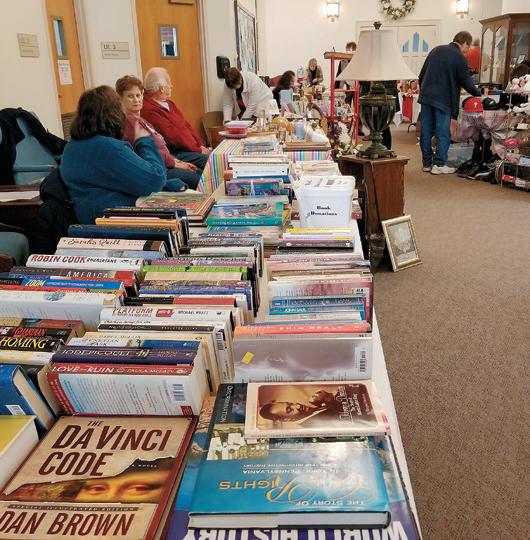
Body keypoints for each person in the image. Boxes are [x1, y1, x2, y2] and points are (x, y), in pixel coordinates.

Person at [60, 86, 166, 225]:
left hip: (90, 218)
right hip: (113, 221)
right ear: (114, 114)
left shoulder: (72, 146)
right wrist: (144, 141)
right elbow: (155, 180)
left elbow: (119, 180)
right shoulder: (109, 148)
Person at [115, 75, 199, 191]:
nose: (136, 100)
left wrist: (178, 161)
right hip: (158, 172)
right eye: (130, 96)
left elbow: (161, 147)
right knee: (200, 179)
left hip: (167, 164)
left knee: (200, 172)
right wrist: (176, 164)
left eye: (138, 95)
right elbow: (149, 152)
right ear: (121, 98)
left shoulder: (141, 120)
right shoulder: (130, 122)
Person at [418, 31, 481, 175]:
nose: (467, 50)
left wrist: (425, 90)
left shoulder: (435, 50)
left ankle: (426, 163)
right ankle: (439, 164)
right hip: (443, 99)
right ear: (465, 43)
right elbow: (466, 81)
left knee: (426, 131)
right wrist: (478, 93)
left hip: (426, 96)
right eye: (468, 47)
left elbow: (422, 75)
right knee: (443, 132)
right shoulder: (459, 57)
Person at [141, 67, 209, 171]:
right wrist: (198, 150)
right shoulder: (148, 109)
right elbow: (173, 138)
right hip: (175, 153)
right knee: (209, 162)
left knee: (212, 159)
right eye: (169, 83)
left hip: (189, 149)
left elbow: (186, 125)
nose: (171, 86)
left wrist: (200, 145)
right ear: (162, 88)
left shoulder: (169, 103)